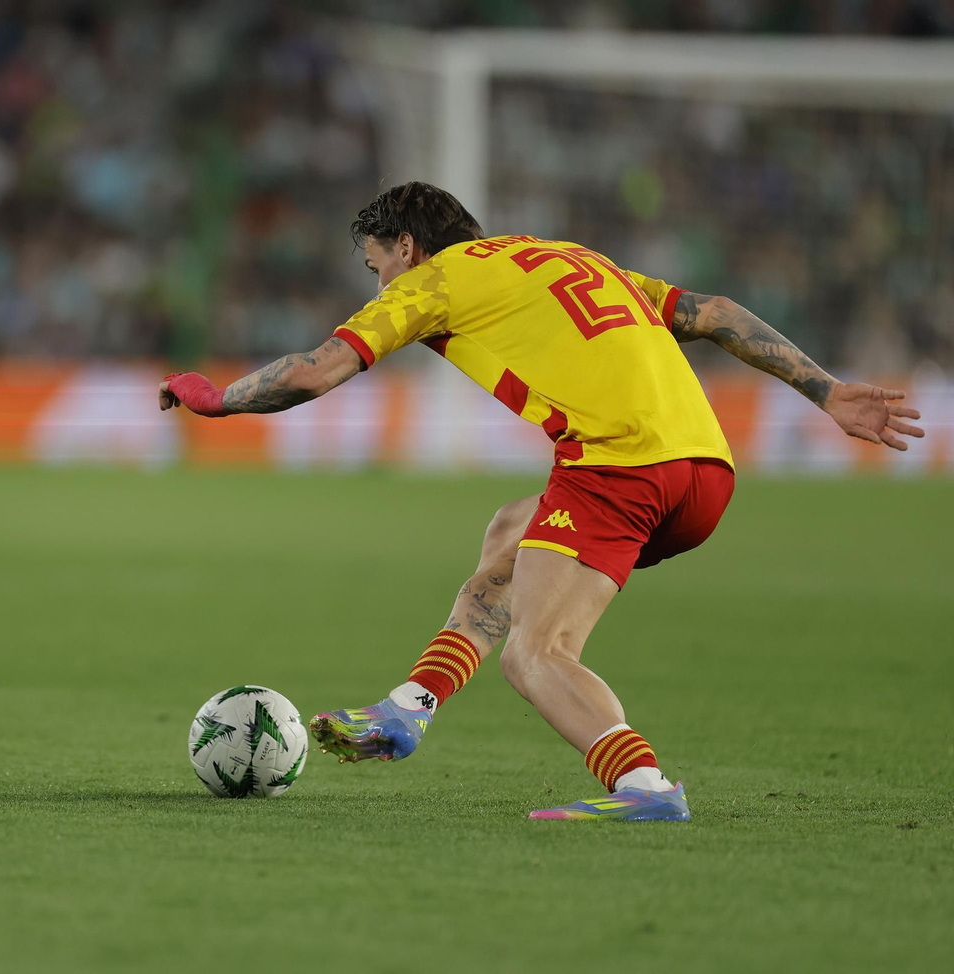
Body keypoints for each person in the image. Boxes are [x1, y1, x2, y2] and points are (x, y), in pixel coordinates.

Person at [158, 181, 922, 821]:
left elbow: (313, 372)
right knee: (510, 534)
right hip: (706, 472)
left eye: (377, 265)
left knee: (536, 654)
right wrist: (826, 391)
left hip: (619, 467)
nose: (380, 284)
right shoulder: (566, 257)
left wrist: (217, 400)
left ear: (408, 247)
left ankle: (644, 785)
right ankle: (409, 706)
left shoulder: (435, 281)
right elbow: (715, 312)